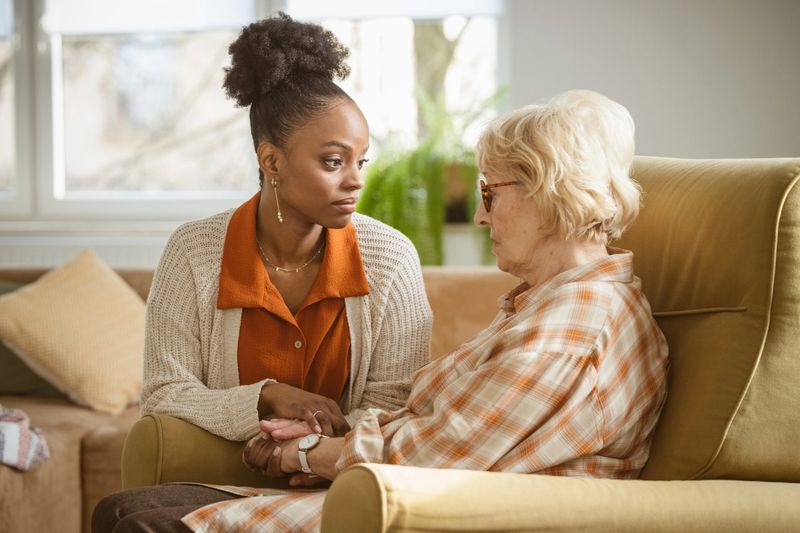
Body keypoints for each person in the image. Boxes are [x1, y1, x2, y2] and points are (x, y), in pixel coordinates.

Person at [176, 89, 670, 531]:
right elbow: (439, 431)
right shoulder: (550, 306)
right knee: (134, 510)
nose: (479, 216)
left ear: (548, 190)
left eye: (489, 193)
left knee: (146, 518)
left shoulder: (572, 329)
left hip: (444, 513)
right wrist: (330, 433)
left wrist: (304, 453)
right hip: (408, 495)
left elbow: (431, 455)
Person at [92, 13, 431, 533]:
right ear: (271, 161)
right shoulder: (193, 251)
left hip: (336, 475)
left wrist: (302, 443)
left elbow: (394, 405)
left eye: (362, 161)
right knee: (112, 512)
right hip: (232, 469)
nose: (356, 181)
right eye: (334, 162)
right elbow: (164, 393)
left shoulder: (391, 256)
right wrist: (268, 395)